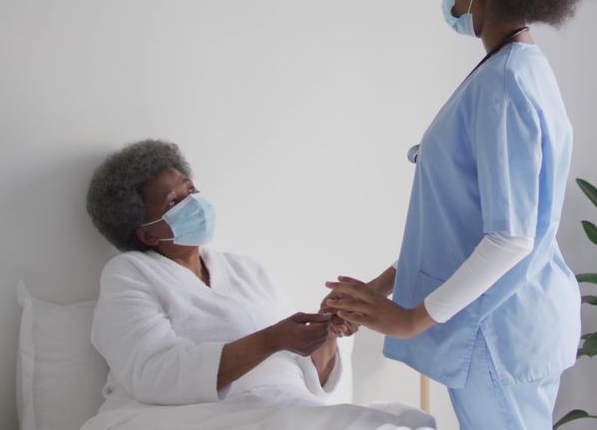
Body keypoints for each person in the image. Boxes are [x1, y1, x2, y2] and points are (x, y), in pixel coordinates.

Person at [324, 0, 593, 429]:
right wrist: (380, 289)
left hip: (499, 332)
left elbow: (509, 237)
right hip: (509, 324)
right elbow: (458, 222)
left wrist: (410, 320)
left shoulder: (505, 86)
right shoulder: (510, 71)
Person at [82, 139, 433, 430]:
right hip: (189, 417)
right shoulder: (129, 273)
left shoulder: (246, 270)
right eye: (174, 202)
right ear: (145, 232)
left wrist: (325, 334)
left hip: (282, 406)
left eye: (191, 190)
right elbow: (153, 373)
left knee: (404, 424)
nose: (193, 204)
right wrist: (272, 339)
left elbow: (308, 377)